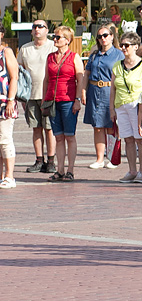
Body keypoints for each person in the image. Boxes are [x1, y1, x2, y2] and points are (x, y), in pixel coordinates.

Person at [43, 26, 85, 182]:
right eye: (54, 36)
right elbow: (46, 80)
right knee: (58, 137)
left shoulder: (74, 57)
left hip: (68, 101)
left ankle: (70, 170)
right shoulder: (50, 57)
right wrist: (44, 99)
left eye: (58, 37)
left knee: (70, 136)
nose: (55, 39)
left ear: (67, 40)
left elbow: (80, 80)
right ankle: (59, 170)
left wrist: (78, 99)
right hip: (53, 100)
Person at [110, 32, 142, 183]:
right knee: (128, 139)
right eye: (122, 45)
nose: (123, 48)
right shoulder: (117, 66)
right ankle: (132, 170)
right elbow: (113, 89)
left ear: (135, 47)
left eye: (126, 45)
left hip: (136, 105)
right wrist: (112, 109)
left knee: (140, 139)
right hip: (121, 106)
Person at [18, 19, 56, 173]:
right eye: (34, 27)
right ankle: (39, 160)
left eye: (41, 26)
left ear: (47, 30)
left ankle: (51, 161)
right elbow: (19, 72)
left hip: (49, 95)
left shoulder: (53, 46)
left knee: (49, 129)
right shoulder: (25, 49)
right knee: (36, 128)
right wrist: (21, 96)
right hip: (31, 95)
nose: (37, 29)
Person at [83, 23, 123, 169]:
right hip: (94, 90)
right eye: (100, 36)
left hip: (109, 91)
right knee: (97, 126)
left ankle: (112, 157)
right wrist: (83, 91)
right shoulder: (94, 55)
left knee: (110, 125)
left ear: (112, 37)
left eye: (105, 35)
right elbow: (86, 73)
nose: (103, 39)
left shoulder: (119, 54)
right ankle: (99, 158)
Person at [0, 25, 19, 189]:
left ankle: (9, 176)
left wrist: (10, 101)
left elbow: (14, 77)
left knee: (5, 140)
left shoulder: (6, 52)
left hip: (4, 102)